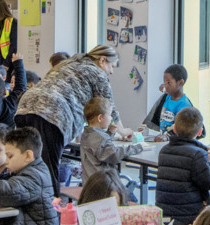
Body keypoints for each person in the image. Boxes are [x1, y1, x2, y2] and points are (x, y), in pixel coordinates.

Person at [14, 44, 130, 186]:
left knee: (25, 162)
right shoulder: (96, 72)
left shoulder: (68, 64)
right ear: (102, 60)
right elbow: (108, 107)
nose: (111, 71)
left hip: (25, 106)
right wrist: (123, 131)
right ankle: (51, 206)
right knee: (48, 170)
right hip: (52, 113)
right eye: (112, 66)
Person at [155, 107, 210, 225]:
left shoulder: (164, 150)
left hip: (164, 214)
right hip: (190, 217)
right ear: (200, 132)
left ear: (174, 128)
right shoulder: (197, 154)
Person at [80, 96, 143, 198]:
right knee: (129, 197)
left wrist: (109, 133)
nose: (111, 119)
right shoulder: (99, 137)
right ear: (100, 118)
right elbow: (114, 155)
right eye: (109, 115)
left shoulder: (88, 133)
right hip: (103, 186)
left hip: (89, 182)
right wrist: (136, 147)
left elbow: (100, 148)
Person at [143, 64, 195, 139]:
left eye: (169, 83)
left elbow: (182, 132)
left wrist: (167, 137)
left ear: (180, 83)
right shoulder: (166, 98)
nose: (165, 86)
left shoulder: (184, 105)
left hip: (175, 144)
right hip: (163, 141)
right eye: (164, 82)